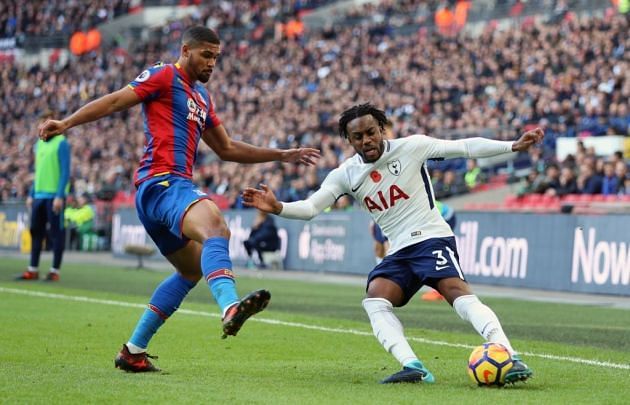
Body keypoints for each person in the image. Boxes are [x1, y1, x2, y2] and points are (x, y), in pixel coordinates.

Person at [39, 26, 320, 373]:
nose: (213, 63)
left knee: (190, 269)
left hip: (165, 191)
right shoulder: (163, 75)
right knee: (216, 226)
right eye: (207, 54)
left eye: (216, 57)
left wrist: (281, 155)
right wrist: (67, 122)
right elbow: (115, 100)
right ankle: (230, 306)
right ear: (186, 50)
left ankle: (133, 351)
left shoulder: (202, 98)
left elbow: (227, 148)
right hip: (162, 183)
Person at [243, 103, 541, 384]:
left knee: (454, 291)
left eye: (371, 132)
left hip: (431, 237)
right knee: (375, 298)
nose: (366, 140)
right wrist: (278, 206)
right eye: (357, 136)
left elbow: (464, 147)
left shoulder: (412, 147)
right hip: (398, 250)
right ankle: (413, 367)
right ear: (349, 140)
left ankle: (509, 354)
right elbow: (310, 208)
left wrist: (512, 146)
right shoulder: (345, 174)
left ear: (382, 129)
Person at [17, 110, 71, 282]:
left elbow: (65, 172)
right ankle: (32, 269)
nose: (43, 127)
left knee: (56, 233)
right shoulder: (38, 144)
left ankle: (54, 270)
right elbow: (37, 171)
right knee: (36, 232)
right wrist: (32, 193)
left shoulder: (62, 143)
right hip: (38, 196)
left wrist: (59, 196)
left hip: (53, 197)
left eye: (46, 123)